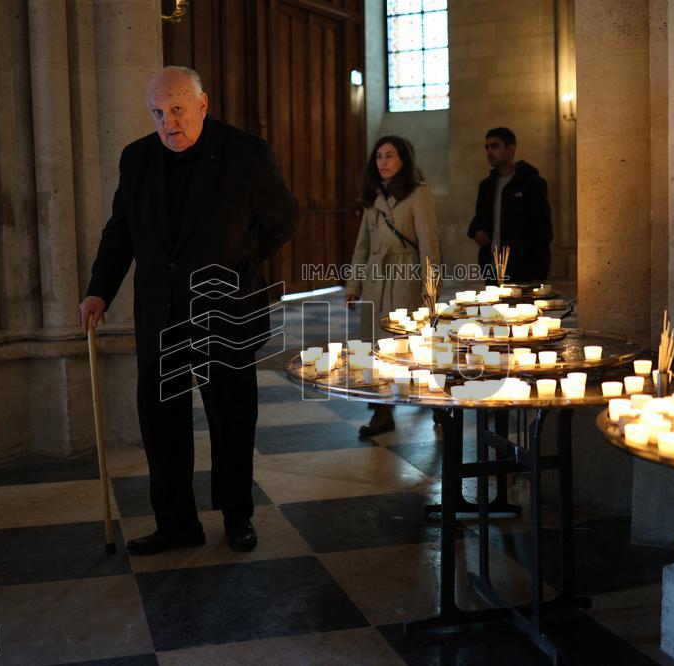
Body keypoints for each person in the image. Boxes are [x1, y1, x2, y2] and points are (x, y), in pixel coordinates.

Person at [79, 66, 298, 555]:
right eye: (158, 113)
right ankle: (176, 523)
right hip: (161, 313)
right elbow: (121, 233)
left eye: (177, 110)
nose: (168, 124)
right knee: (162, 422)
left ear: (203, 103)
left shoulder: (246, 153)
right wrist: (99, 291)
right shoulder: (136, 158)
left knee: (231, 418)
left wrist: (238, 260)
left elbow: (283, 220)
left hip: (227, 309)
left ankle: (237, 516)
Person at [344, 136, 440, 436]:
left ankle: (438, 404)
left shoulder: (418, 194)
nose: (383, 162)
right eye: (379, 156)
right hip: (376, 281)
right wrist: (354, 286)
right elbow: (363, 245)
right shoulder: (373, 196)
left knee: (412, 348)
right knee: (375, 350)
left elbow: (428, 244)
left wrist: (430, 288)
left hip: (406, 279)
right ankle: (381, 413)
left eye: (390, 156)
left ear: (403, 161)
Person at [467, 127, 553, 283]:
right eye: (487, 147)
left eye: (494, 146)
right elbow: (479, 217)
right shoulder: (486, 186)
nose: (489, 151)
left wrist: (540, 272)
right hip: (492, 269)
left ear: (511, 149)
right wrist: (477, 231)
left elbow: (542, 229)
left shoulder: (531, 182)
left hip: (522, 269)